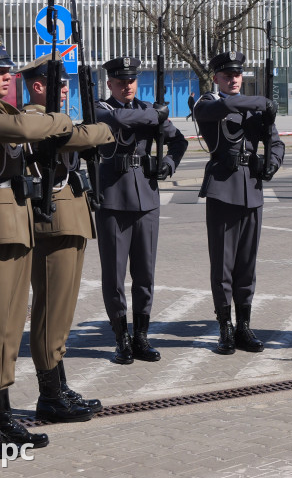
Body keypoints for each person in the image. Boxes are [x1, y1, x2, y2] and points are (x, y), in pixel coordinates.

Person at [0, 38, 75, 450]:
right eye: (0, 70)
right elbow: (27, 129)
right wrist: (62, 122)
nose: (9, 76)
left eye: (10, 69)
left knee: (9, 329)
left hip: (18, 223)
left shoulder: (3, 111)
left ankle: (3, 414)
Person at [20, 54, 113, 422]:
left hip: (71, 220)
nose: (63, 89)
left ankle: (59, 386)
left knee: (62, 314)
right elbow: (80, 135)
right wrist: (99, 131)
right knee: (50, 313)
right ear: (37, 86)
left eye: (65, 84)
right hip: (52, 224)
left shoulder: (55, 118)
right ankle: (49, 395)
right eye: (56, 84)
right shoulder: (32, 118)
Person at [94, 55, 188, 365]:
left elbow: (179, 142)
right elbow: (119, 121)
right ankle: (121, 338)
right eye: (121, 82)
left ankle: (141, 336)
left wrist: (168, 163)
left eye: (131, 80)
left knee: (145, 274)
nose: (127, 86)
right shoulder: (100, 109)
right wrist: (155, 115)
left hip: (146, 199)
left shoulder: (150, 109)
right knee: (115, 276)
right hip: (113, 200)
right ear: (110, 84)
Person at [194, 51, 284, 355]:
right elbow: (228, 105)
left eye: (237, 75)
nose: (233, 80)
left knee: (247, 265)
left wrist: (272, 163)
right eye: (227, 75)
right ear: (216, 78)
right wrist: (263, 102)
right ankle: (225, 327)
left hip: (251, 190)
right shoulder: (207, 103)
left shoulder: (256, 109)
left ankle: (244, 325)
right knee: (223, 265)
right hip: (223, 190)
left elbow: (276, 142)